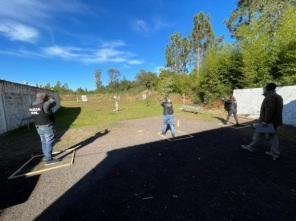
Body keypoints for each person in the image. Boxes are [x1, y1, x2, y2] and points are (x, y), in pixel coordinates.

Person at [241, 83, 283, 160]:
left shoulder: (270, 97)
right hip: (274, 122)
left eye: (264, 88)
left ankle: (251, 147)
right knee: (271, 136)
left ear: (268, 89)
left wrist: (265, 121)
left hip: (267, 121)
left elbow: (269, 110)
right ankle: (275, 153)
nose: (263, 89)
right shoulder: (278, 97)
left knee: (259, 134)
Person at [29, 93, 59, 165]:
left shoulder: (32, 104)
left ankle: (46, 156)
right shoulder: (45, 104)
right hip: (46, 125)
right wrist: (50, 98)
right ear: (44, 98)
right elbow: (54, 103)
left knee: (43, 141)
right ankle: (49, 159)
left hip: (37, 125)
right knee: (49, 140)